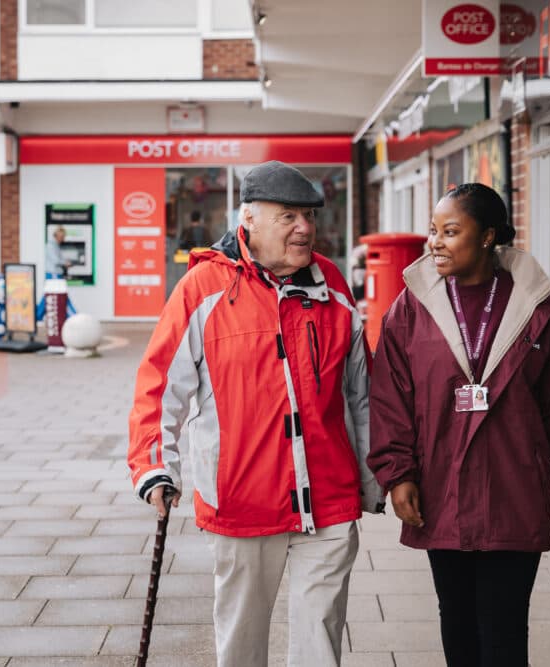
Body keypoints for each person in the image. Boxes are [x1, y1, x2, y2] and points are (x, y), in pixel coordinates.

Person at [128, 160, 382, 667]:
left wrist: (377, 475)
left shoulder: (331, 283)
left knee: (321, 642)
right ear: (249, 218)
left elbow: (361, 392)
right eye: (288, 215)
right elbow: (158, 388)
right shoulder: (203, 288)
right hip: (242, 501)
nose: (305, 228)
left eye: (308, 215)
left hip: (328, 499)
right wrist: (155, 465)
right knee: (242, 643)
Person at [367, 183, 550, 667]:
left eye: (451, 232)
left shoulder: (540, 312)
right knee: (455, 615)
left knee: (504, 622)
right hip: (440, 487)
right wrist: (398, 474)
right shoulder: (411, 309)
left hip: (512, 486)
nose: (435, 242)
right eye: (434, 231)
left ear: (488, 236)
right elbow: (390, 399)